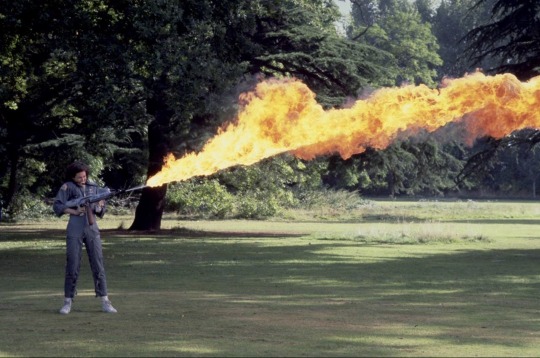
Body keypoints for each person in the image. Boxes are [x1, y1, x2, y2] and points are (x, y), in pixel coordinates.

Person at [53, 161, 117, 314]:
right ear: (73, 177)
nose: (83, 179)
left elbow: (101, 212)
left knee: (98, 263)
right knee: (73, 264)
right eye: (79, 177)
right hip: (75, 228)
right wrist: (75, 211)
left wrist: (100, 205)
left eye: (84, 176)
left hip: (92, 228)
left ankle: (105, 300)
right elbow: (58, 206)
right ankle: (68, 301)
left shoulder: (95, 188)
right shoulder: (67, 187)